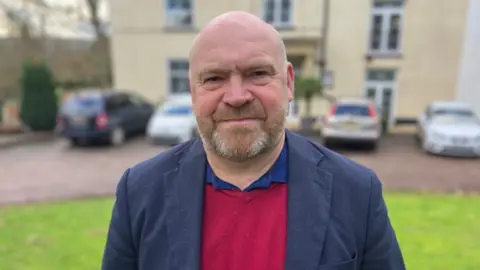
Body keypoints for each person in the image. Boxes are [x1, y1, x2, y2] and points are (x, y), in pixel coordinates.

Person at [101, 11, 405, 270]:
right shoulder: (139, 192)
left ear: (288, 83)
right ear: (193, 93)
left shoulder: (356, 192)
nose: (236, 97)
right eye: (214, 78)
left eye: (257, 73)